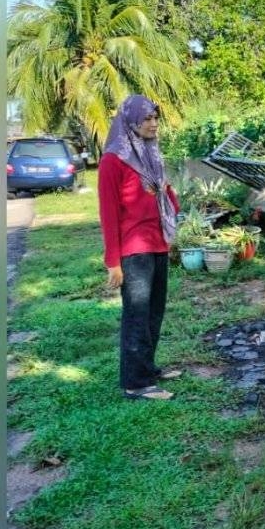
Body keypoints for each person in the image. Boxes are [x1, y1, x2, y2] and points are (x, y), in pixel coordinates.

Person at [98, 95, 181, 400]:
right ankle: (135, 383)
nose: (153, 124)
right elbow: (108, 213)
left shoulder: (150, 153)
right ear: (131, 121)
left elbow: (167, 195)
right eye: (147, 118)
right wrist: (113, 262)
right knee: (137, 314)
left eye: (156, 118)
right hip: (133, 250)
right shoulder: (113, 160)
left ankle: (147, 368)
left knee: (154, 312)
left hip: (157, 242)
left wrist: (170, 201)